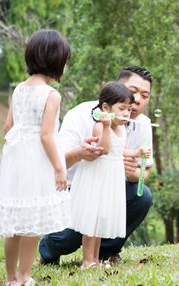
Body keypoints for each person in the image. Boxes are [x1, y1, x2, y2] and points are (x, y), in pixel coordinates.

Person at [39, 66, 154, 264]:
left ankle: (106, 252)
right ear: (116, 89)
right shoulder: (82, 114)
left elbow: (145, 174)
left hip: (112, 188)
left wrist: (133, 174)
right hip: (75, 190)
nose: (137, 101)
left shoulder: (143, 123)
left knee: (143, 196)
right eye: (133, 92)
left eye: (145, 95)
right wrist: (79, 153)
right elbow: (57, 163)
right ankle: (48, 247)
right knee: (70, 237)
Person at [0, 29, 72, 286]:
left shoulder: (19, 90)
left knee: (15, 221)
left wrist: (20, 145)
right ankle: (25, 277)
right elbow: (47, 135)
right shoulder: (51, 95)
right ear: (56, 61)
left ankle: (11, 278)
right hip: (38, 160)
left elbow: (7, 128)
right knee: (32, 222)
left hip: (16, 159)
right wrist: (59, 168)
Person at [70, 82, 150, 268]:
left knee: (100, 223)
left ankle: (96, 259)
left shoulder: (121, 128)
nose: (126, 114)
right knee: (92, 222)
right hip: (97, 178)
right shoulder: (100, 127)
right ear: (106, 108)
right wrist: (106, 126)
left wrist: (137, 153)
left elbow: (120, 150)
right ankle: (87, 261)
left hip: (110, 180)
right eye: (121, 109)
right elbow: (105, 149)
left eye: (129, 110)